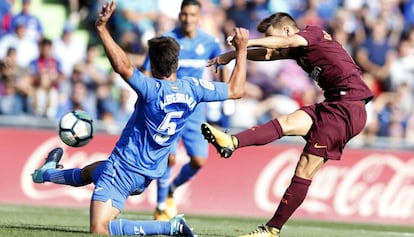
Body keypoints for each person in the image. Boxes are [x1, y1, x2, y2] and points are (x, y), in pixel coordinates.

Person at [31, 1, 249, 236]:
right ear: (177, 62)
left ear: (153, 65)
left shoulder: (151, 89)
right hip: (147, 175)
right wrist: (242, 49)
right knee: (89, 173)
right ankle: (46, 173)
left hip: (123, 168)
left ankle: (169, 226)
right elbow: (235, 90)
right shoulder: (194, 88)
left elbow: (122, 66)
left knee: (100, 229)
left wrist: (102, 28)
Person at [201, 12, 374, 237]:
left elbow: (283, 43)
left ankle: (272, 230)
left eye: (274, 37)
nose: (276, 45)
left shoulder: (309, 34)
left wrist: (248, 41)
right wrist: (235, 53)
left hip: (346, 108)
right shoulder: (299, 49)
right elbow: (268, 54)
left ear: (286, 30)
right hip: (335, 104)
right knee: (287, 122)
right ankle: (232, 141)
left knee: (304, 168)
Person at [140, 0, 229, 221]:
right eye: (184, 14)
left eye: (192, 15)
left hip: (195, 110)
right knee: (168, 158)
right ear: (179, 15)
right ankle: (160, 207)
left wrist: (226, 97)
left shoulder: (209, 42)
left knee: (199, 160)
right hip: (169, 106)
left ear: (199, 17)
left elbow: (222, 64)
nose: (187, 19)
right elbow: (146, 68)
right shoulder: (167, 40)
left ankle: (172, 188)